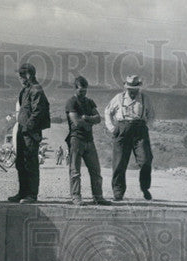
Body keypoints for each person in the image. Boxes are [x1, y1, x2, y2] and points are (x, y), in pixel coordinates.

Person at [104, 74, 155, 201]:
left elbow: (152, 115)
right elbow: (107, 112)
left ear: (139, 88)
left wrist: (145, 126)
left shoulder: (144, 98)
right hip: (122, 129)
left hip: (140, 131)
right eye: (130, 88)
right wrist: (112, 128)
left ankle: (145, 188)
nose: (132, 91)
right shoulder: (118, 98)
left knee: (145, 160)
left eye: (135, 88)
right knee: (119, 163)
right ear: (126, 87)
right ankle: (118, 192)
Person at [8, 63, 50, 203]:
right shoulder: (26, 90)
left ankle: (31, 194)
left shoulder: (36, 90)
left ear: (28, 75)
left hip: (29, 132)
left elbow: (38, 112)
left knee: (30, 163)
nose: (20, 79)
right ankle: (22, 192)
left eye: (21, 76)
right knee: (21, 162)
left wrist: (28, 128)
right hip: (22, 130)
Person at [65, 76, 109, 206]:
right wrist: (88, 122)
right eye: (80, 91)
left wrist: (86, 118)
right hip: (76, 139)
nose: (83, 94)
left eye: (85, 91)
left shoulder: (89, 102)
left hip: (89, 140)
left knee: (95, 170)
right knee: (75, 171)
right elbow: (76, 123)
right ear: (75, 89)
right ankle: (76, 196)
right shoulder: (71, 102)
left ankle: (98, 197)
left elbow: (98, 118)